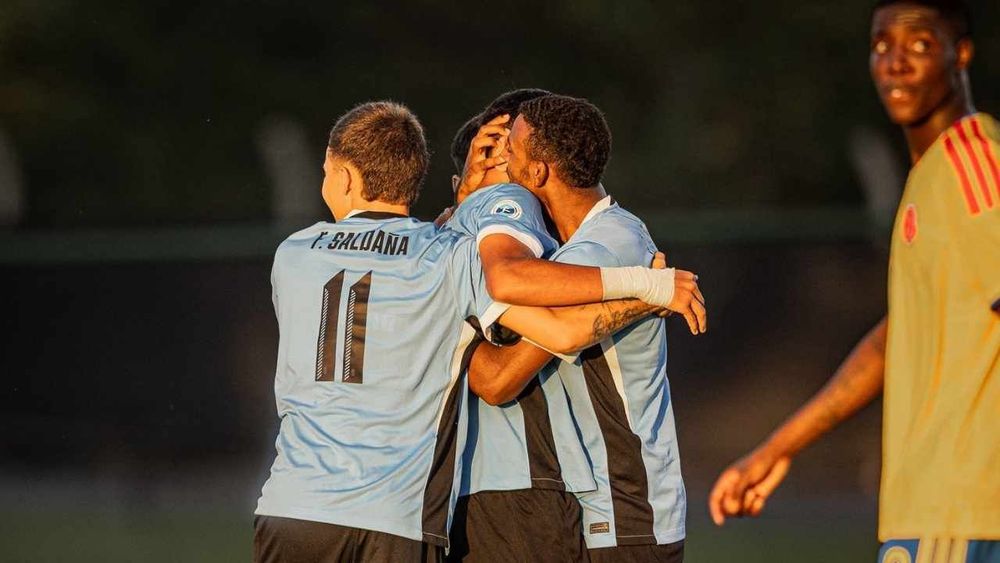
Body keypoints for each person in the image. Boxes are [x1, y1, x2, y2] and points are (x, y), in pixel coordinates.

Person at [253, 101, 698, 563]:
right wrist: (648, 289)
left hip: (291, 506)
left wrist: (467, 204)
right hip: (397, 520)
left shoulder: (293, 252)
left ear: (343, 177)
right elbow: (559, 331)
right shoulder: (445, 258)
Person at [708, 1, 1000, 561]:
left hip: (962, 504)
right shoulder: (930, 175)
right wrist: (779, 447)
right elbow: (899, 337)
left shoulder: (972, 159)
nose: (894, 63)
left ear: (960, 55)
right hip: (930, 506)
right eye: (882, 46)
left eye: (918, 46)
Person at [443, 89, 705, 563]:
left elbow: (500, 374)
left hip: (631, 505)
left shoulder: (609, 242)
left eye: (511, 152)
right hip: (598, 503)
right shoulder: (568, 253)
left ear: (539, 172)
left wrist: (459, 272)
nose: (502, 162)